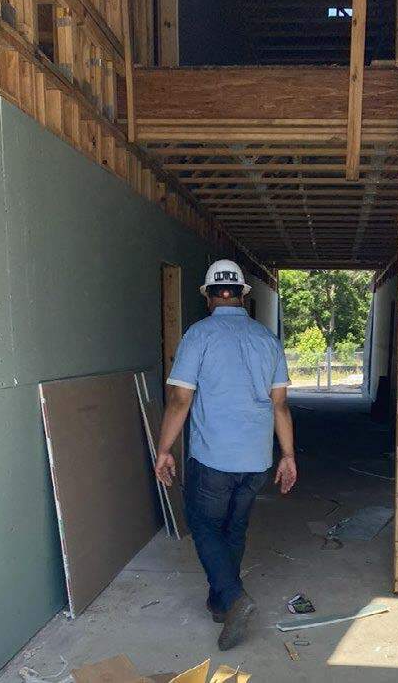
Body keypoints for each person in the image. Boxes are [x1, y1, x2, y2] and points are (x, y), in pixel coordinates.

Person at [154, 259, 296, 651]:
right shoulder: (267, 340)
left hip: (213, 458)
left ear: (209, 296)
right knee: (234, 529)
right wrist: (288, 455)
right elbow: (280, 405)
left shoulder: (199, 336)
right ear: (243, 295)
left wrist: (164, 448)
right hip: (256, 461)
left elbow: (181, 398)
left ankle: (234, 598)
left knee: (203, 526)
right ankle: (221, 602)